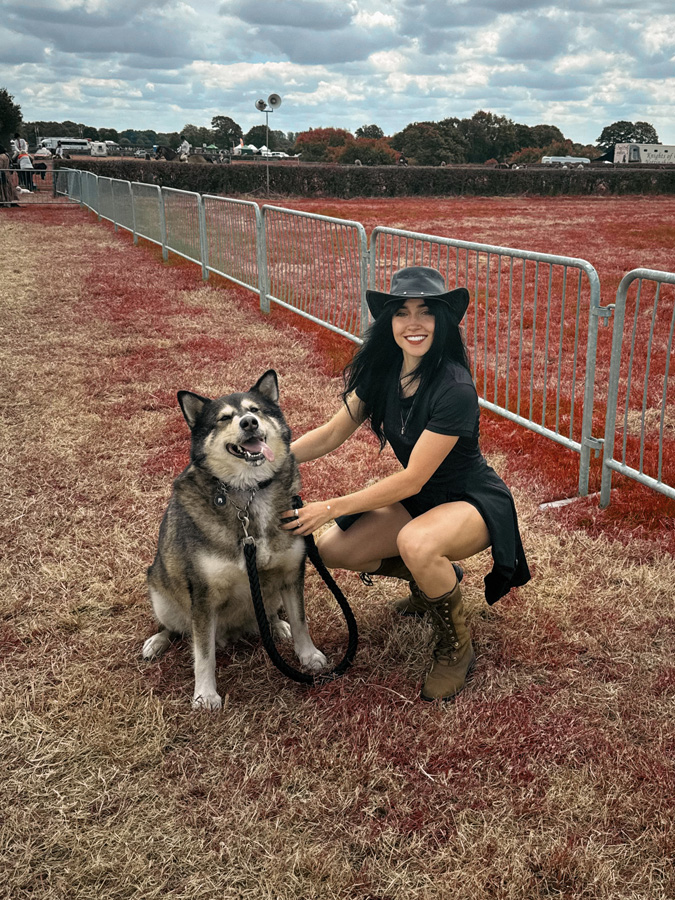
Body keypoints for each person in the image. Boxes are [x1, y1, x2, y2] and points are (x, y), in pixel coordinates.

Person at [281, 266, 530, 702]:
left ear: (442, 321)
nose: (413, 323)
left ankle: (456, 646)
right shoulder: (383, 373)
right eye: (402, 312)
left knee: (416, 542)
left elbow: (414, 478)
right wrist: (274, 456)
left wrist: (331, 506)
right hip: (420, 499)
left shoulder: (455, 386)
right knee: (333, 549)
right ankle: (431, 582)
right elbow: (331, 433)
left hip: (470, 500)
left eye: (426, 312)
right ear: (389, 322)